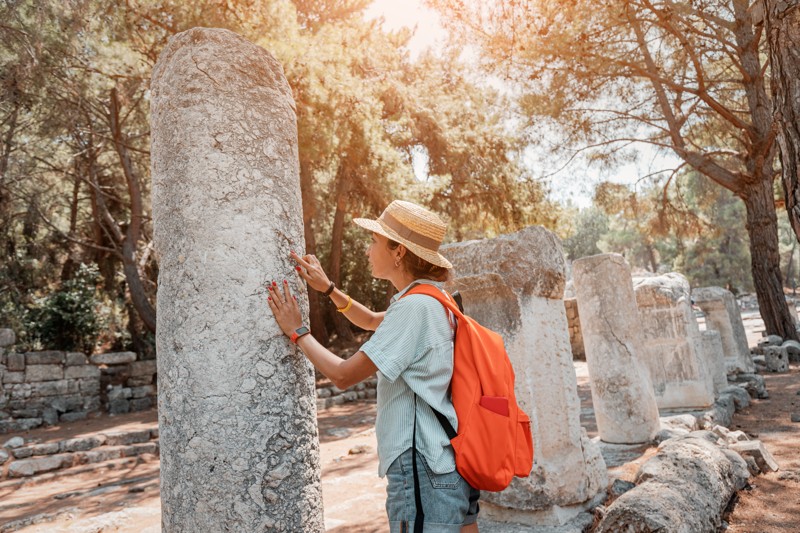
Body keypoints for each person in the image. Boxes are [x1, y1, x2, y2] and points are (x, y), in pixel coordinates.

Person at [267, 200, 480, 533]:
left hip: (421, 470)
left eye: (375, 241)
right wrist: (329, 289)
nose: (368, 250)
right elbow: (369, 320)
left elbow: (343, 374)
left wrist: (298, 332)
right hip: (448, 465)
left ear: (399, 251)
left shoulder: (414, 309)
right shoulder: (435, 299)